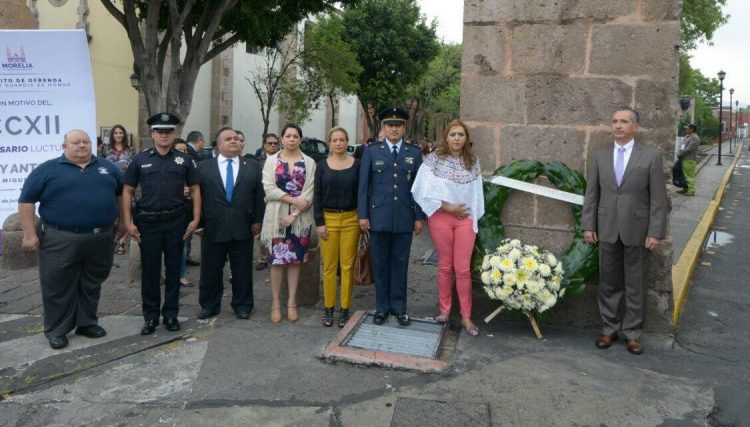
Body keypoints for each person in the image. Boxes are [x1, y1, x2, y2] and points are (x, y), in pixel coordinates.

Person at [18, 129, 125, 349]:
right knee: (57, 285)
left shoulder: (107, 168)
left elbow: (123, 193)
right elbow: (26, 201)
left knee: (92, 282)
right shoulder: (47, 170)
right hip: (59, 238)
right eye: (76, 142)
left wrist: (123, 222)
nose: (82, 145)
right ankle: (57, 330)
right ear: (64, 146)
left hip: (100, 236)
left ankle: (87, 323)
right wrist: (29, 234)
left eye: (86, 141)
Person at [582, 107, 668, 355]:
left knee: (636, 284)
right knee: (608, 283)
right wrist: (589, 225)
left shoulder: (650, 156)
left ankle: (632, 333)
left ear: (635, 127)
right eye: (614, 121)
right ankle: (609, 330)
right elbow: (592, 195)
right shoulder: (599, 155)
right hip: (606, 228)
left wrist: (655, 232)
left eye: (624, 121)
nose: (618, 125)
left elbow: (658, 199)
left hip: (639, 230)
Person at [122, 112, 201, 335]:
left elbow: (195, 188)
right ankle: (150, 317)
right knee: (150, 272)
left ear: (174, 134)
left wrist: (195, 218)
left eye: (168, 131)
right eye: (159, 131)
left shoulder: (185, 160)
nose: (164, 135)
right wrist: (128, 222)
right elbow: (127, 191)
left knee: (175, 270)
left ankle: (171, 315)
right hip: (149, 223)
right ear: (152, 133)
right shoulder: (140, 159)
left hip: (177, 221)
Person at [411, 119, 484, 336]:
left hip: (465, 219)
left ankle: (466, 316)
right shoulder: (434, 160)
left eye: (461, 135)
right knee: (445, 266)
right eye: (453, 134)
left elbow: (477, 193)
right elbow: (421, 189)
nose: (457, 138)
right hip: (442, 217)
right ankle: (444, 310)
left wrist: (468, 213)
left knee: (462, 269)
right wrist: (448, 207)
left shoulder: (473, 161)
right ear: (446, 137)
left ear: (466, 138)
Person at [358, 107, 425, 326]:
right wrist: (363, 215)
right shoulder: (372, 151)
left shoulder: (414, 153)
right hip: (378, 217)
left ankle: (399, 308)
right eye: (389, 125)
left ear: (404, 128)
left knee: (400, 264)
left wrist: (419, 216)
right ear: (383, 128)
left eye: (398, 125)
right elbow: (363, 186)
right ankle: (382, 308)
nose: (394, 129)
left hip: (404, 218)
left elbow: (419, 188)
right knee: (380, 264)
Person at [195, 128, 265, 320]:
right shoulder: (203, 167)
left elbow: (259, 195)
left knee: (242, 269)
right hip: (212, 226)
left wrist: (258, 220)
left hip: (243, 225)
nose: (234, 141)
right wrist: (197, 223)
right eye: (228, 139)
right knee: (210, 269)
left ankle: (243, 305)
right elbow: (196, 197)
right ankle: (209, 305)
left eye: (236, 138)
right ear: (218, 145)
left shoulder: (252, 166)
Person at [260, 123, 315, 323]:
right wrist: (293, 201)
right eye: (288, 136)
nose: (291, 139)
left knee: (295, 262)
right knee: (276, 262)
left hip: (300, 219)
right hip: (276, 218)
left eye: (295, 136)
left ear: (300, 139)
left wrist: (296, 213)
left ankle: (291, 302)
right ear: (282, 139)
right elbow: (269, 189)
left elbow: (309, 192)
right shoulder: (272, 161)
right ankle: (276, 303)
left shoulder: (309, 162)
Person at [314, 127, 360, 328]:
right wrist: (319, 222)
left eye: (342, 139)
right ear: (330, 143)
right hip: (329, 220)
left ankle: (345, 309)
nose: (338, 143)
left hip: (352, 219)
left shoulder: (357, 165)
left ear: (347, 142)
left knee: (348, 266)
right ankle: (328, 308)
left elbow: (362, 193)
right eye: (334, 140)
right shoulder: (322, 166)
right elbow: (317, 195)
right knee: (329, 267)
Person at [254, 133, 281, 271]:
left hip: (279, 199)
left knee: (277, 228)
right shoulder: (257, 160)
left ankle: (276, 255)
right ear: (264, 145)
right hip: (261, 199)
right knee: (261, 231)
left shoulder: (283, 159)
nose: (272, 146)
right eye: (269, 143)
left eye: (275, 143)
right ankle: (263, 257)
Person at [105, 124, 133, 255]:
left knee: (125, 211)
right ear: (112, 135)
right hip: (109, 183)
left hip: (125, 183)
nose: (118, 135)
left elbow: (134, 164)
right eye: (116, 133)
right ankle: (111, 240)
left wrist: (129, 168)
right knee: (112, 210)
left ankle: (122, 243)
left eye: (120, 133)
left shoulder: (130, 149)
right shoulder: (104, 148)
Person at [172, 139, 195, 288]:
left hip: (186, 210)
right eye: (180, 150)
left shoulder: (190, 165)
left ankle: (181, 274)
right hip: (171, 210)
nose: (183, 153)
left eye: (185, 150)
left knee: (183, 244)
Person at [677, 124, 700, 196]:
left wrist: (680, 154)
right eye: (686, 128)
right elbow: (681, 146)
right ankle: (685, 188)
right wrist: (679, 152)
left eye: (687, 128)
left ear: (692, 129)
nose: (686, 130)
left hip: (689, 160)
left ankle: (691, 190)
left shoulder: (695, 138)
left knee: (689, 176)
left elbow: (689, 149)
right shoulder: (686, 137)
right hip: (684, 159)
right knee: (684, 175)